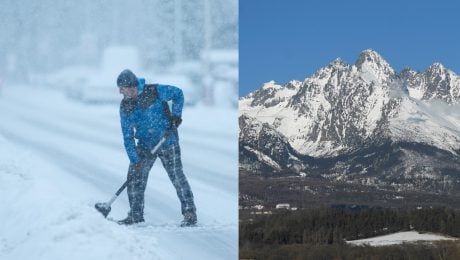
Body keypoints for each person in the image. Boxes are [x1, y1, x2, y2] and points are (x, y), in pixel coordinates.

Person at [116, 69, 197, 226]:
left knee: (177, 176)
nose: (119, 91)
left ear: (131, 86)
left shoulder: (154, 91)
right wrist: (135, 159)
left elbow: (178, 94)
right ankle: (135, 215)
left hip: (167, 141)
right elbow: (127, 136)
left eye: (121, 88)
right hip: (145, 145)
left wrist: (176, 116)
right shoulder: (125, 106)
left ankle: (189, 213)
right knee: (134, 178)